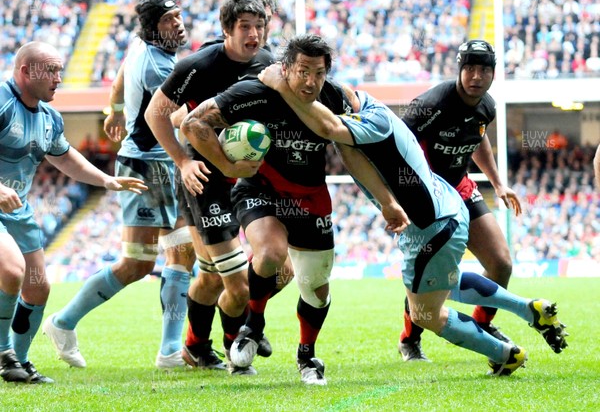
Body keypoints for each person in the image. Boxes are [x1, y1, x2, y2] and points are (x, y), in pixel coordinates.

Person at [257, 59, 569, 376]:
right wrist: (386, 202)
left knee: (425, 313)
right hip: (442, 208)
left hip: (430, 222)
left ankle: (505, 354)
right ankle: (529, 309)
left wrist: (282, 85)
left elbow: (328, 126)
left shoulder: (371, 120)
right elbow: (345, 146)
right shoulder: (363, 115)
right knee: (446, 282)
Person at [179, 33, 359, 385]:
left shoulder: (336, 97)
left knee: (316, 287)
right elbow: (192, 123)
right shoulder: (254, 92)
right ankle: (251, 325)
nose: (310, 81)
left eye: (318, 73)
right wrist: (227, 167)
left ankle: (307, 357)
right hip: (261, 189)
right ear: (285, 68)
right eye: (303, 71)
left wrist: (386, 201)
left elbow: (355, 149)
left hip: (310, 197)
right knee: (271, 253)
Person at [43, 0, 197, 370]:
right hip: (146, 168)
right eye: (168, 20)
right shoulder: (157, 69)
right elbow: (176, 119)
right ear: (151, 27)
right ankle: (62, 323)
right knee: (137, 263)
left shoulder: (140, 45)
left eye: (178, 17)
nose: (177, 24)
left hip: (163, 165)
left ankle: (169, 351)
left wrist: (113, 109)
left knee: (183, 251)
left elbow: (121, 75)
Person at [145, 0, 279, 375]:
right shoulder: (198, 65)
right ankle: (238, 345)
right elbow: (157, 113)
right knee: (237, 284)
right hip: (204, 180)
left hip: (248, 182)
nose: (254, 34)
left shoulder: (268, 63)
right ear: (226, 29)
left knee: (212, 276)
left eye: (259, 26)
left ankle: (195, 346)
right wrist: (183, 161)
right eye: (244, 27)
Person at [0, 41, 146, 383]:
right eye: (51, 70)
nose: (59, 78)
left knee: (38, 287)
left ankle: (17, 362)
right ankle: (2, 352)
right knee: (11, 270)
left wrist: (106, 180)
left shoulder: (49, 117)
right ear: (25, 72)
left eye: (60, 70)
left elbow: (64, 158)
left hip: (18, 209)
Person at [397, 39, 523, 361]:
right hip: (429, 197)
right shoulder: (432, 104)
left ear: (493, 74)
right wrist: (399, 197)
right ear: (459, 69)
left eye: (484, 69)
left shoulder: (487, 106)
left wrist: (498, 182)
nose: (476, 76)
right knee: (428, 275)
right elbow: (396, 143)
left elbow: (477, 138)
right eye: (469, 68)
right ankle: (409, 339)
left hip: (461, 187)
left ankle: (482, 325)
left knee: (501, 263)